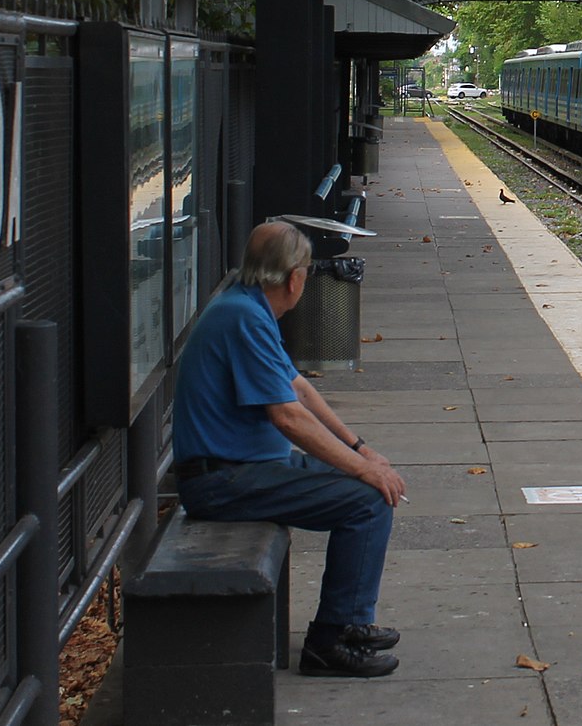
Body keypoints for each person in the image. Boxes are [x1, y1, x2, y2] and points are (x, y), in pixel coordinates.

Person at [172, 220, 408, 678]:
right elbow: (287, 417)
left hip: (243, 466)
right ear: (296, 278)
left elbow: (299, 389)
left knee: (368, 488)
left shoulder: (248, 309)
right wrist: (362, 471)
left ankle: (352, 620)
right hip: (222, 480)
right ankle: (330, 640)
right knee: (365, 502)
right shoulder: (243, 318)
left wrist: (361, 450)